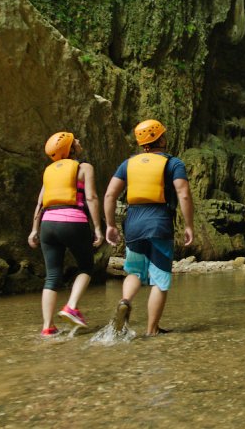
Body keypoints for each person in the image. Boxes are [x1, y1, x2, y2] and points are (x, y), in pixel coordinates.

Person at [104, 119, 194, 336]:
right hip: (159, 223)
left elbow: (109, 194)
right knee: (160, 278)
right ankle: (152, 329)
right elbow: (183, 193)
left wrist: (110, 225)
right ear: (161, 139)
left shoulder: (128, 164)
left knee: (134, 271)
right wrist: (189, 225)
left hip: (133, 224)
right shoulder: (173, 164)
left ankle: (125, 301)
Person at [28, 132, 103, 336]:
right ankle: (71, 306)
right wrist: (97, 228)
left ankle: (47, 327)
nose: (78, 141)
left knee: (52, 276)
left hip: (47, 224)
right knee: (86, 266)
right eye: (74, 140)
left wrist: (34, 230)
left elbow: (40, 202)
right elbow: (91, 197)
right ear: (69, 149)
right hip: (73, 221)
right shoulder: (84, 168)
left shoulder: (49, 171)